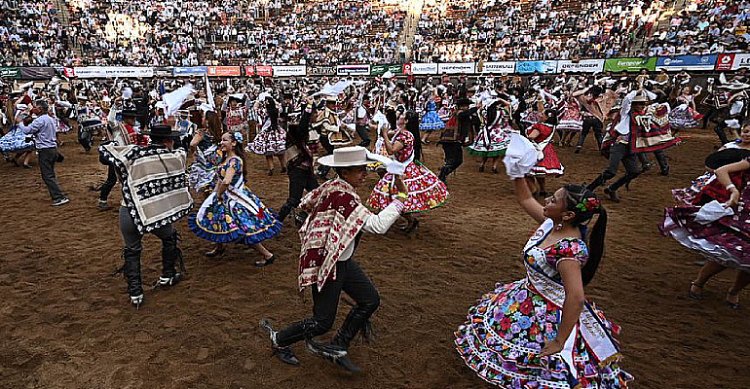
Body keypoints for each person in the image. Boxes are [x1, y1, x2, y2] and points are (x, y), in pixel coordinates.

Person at [454, 178, 633, 388]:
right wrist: (517, 172)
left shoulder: (568, 252)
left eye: (554, 200)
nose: (547, 199)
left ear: (568, 215)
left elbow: (576, 297)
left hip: (547, 312)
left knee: (546, 362)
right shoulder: (554, 224)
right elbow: (525, 198)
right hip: (528, 295)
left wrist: (559, 341)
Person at [260, 146, 408, 373]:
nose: (364, 175)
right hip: (331, 262)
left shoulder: (331, 186)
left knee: (370, 300)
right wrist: (400, 200)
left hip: (337, 258)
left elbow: (304, 204)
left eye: (364, 169)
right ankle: (279, 339)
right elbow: (377, 226)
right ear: (345, 172)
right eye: (359, 170)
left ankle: (338, 345)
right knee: (322, 322)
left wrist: (317, 232)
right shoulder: (344, 197)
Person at [99, 124, 194, 307]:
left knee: (132, 249)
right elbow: (184, 149)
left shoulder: (134, 154)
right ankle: (167, 274)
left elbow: (105, 156)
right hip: (155, 211)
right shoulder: (175, 157)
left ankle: (136, 293)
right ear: (168, 141)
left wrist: (112, 142)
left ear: (151, 138)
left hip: (129, 210)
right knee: (169, 237)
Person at [662, 127, 750, 309]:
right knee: (729, 252)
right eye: (746, 130)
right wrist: (732, 190)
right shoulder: (741, 153)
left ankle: (734, 291)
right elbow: (720, 169)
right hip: (744, 212)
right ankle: (699, 282)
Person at [188, 131, 281, 264]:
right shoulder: (227, 158)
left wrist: (218, 194)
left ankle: (267, 255)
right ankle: (219, 246)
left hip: (234, 199)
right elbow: (221, 179)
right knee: (218, 219)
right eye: (221, 140)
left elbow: (226, 181)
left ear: (234, 143)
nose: (221, 143)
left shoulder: (234, 161)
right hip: (228, 195)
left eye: (225, 140)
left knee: (243, 228)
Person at [367, 111, 448, 232]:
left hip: (402, 170)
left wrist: (383, 133)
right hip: (402, 167)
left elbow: (391, 150)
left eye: (401, 117)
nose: (398, 117)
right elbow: (386, 133)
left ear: (406, 121)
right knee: (393, 193)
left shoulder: (404, 135)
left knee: (394, 194)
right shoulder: (402, 133)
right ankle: (400, 219)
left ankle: (408, 220)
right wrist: (378, 126)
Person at [16, 99, 69, 206]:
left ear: (39, 109)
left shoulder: (39, 120)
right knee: (50, 174)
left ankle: (59, 197)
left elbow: (27, 130)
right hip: (52, 148)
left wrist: (19, 123)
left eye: (35, 106)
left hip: (45, 150)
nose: (33, 108)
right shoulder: (50, 119)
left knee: (47, 176)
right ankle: (58, 194)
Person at [277, 98, 319, 224]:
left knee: (317, 194)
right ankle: (278, 220)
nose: (317, 115)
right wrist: (308, 108)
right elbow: (303, 125)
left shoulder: (308, 129)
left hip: (306, 170)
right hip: (297, 170)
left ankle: (302, 215)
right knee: (294, 199)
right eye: (315, 113)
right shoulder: (298, 131)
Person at [438, 98, 477, 184]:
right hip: (452, 141)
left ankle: (442, 175)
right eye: (467, 106)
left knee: (453, 160)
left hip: (449, 140)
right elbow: (466, 114)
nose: (467, 107)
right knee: (456, 160)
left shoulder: (458, 113)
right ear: (462, 106)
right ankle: (442, 176)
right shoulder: (460, 113)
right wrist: (476, 108)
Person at [248, 96, 287, 176]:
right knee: (280, 152)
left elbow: (255, 108)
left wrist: (258, 101)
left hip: (267, 132)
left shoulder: (264, 111)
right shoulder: (277, 110)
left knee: (268, 152)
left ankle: (271, 168)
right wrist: (273, 101)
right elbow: (280, 106)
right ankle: (284, 166)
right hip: (277, 131)